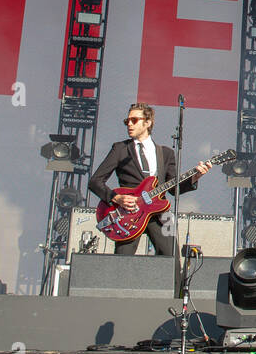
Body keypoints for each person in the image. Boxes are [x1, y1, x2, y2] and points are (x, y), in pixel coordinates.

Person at [89, 103, 211, 256]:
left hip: (160, 213)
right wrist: (117, 198)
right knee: (122, 261)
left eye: (134, 120)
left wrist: (195, 177)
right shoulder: (120, 149)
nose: (129, 124)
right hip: (128, 213)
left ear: (148, 123)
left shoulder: (165, 153)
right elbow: (95, 181)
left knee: (171, 260)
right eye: (127, 121)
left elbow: (173, 188)